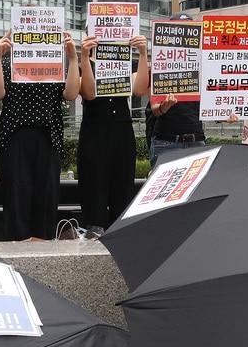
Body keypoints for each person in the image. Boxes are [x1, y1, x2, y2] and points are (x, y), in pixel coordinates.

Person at [0, 20, 81, 239]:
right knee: (15, 200)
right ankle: (17, 248)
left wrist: (72, 57)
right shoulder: (7, 62)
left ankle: (43, 248)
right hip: (14, 137)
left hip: (48, 136)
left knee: (46, 200)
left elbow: (70, 94)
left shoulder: (55, 63)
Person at [77, 29, 149, 229]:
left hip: (122, 130)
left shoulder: (127, 62)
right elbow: (89, 94)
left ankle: (121, 235)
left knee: (123, 187)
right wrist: (84, 56)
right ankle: (92, 233)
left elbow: (140, 89)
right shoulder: (84, 63)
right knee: (93, 188)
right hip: (94, 130)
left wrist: (143, 53)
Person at [148, 12, 205, 165]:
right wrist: (163, 107)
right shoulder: (159, 66)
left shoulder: (205, 66)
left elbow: (213, 105)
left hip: (197, 141)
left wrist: (227, 114)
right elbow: (155, 109)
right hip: (166, 141)